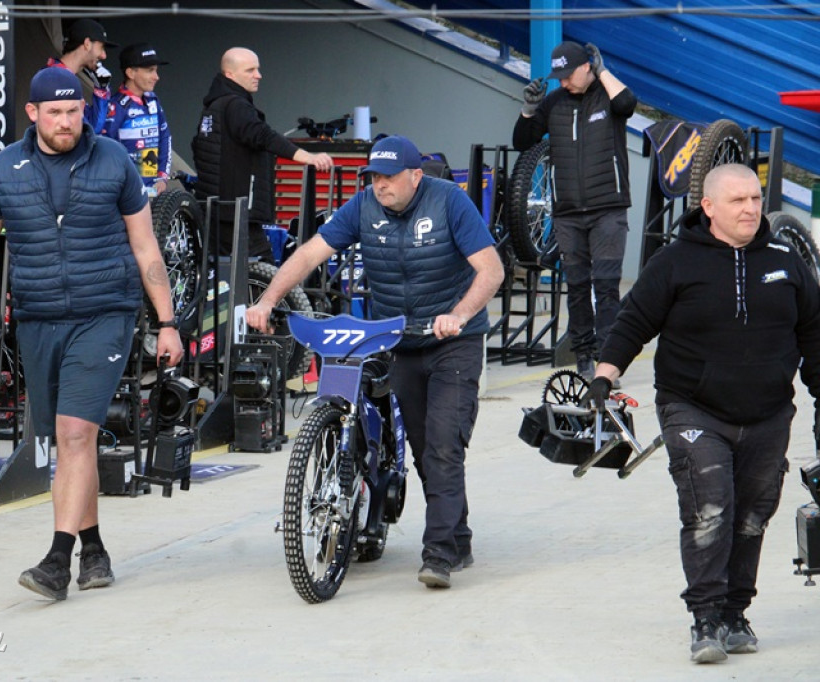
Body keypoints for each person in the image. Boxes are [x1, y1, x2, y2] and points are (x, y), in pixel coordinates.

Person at [0, 67, 184, 601]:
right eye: (54, 112)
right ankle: (94, 548)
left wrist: (167, 323)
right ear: (32, 114)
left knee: (75, 434)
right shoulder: (7, 167)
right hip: (37, 317)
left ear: (84, 110)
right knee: (72, 440)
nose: (65, 122)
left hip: (105, 313)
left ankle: (56, 561)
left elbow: (146, 248)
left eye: (73, 111)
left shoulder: (113, 161)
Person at [583, 163, 820, 663]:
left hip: (769, 412)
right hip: (692, 406)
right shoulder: (675, 262)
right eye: (738, 201)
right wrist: (604, 375)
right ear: (708, 207)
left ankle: (736, 612)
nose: (751, 209)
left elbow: (814, 335)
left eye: (756, 199)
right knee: (710, 506)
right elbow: (634, 321)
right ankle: (706, 617)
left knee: (753, 515)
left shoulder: (786, 261)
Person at [246, 135, 505, 589]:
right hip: (399, 340)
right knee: (427, 451)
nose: (380, 185)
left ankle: (439, 554)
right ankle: (457, 535)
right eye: (374, 177)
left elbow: (491, 269)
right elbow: (310, 253)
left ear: (415, 176)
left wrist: (459, 314)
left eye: (388, 177)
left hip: (453, 341)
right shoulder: (363, 206)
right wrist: (267, 299)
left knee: (445, 444)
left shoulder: (448, 202)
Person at [513, 41, 637, 383]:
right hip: (568, 212)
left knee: (606, 286)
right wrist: (528, 109)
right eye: (559, 76)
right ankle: (584, 355)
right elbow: (523, 141)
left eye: (569, 75)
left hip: (608, 209)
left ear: (587, 68)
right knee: (579, 287)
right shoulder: (554, 102)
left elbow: (627, 103)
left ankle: (609, 361)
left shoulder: (607, 97)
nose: (563, 82)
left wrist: (603, 70)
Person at [191, 46, 334, 263]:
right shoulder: (235, 105)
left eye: (257, 69)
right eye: (250, 70)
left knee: (223, 275)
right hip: (236, 212)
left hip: (217, 210)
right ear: (230, 74)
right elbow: (262, 135)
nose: (258, 75)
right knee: (264, 274)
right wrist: (306, 156)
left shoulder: (215, 106)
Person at [101, 43, 172, 195]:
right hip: (127, 193)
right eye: (150, 71)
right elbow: (105, 150)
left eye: (156, 71)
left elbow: (165, 137)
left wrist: (162, 177)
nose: (156, 77)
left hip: (153, 189)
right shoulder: (116, 106)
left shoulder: (153, 100)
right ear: (131, 73)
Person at [47, 18, 117, 134]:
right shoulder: (56, 79)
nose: (104, 55)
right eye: (101, 48)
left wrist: (101, 90)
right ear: (87, 44)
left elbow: (92, 127)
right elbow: (90, 132)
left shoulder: (65, 76)